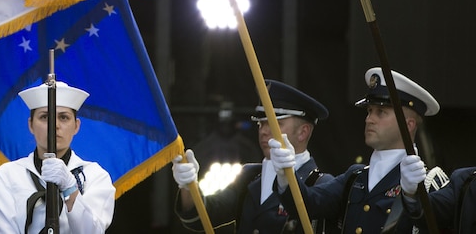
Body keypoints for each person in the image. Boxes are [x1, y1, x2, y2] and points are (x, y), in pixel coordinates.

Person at [272, 67, 439, 234]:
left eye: (381, 112)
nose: (369, 119)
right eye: (369, 111)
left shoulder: (427, 183)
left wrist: (413, 196)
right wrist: (285, 174)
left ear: (409, 125)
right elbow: (307, 205)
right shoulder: (355, 178)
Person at [171, 79, 332, 234]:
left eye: (275, 124)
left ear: (303, 132)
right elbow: (202, 216)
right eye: (260, 123)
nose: (263, 131)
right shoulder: (249, 176)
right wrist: (188, 185)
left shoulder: (321, 185)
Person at [0, 80, 115, 233]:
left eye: (63, 117)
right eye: (45, 117)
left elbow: (93, 231)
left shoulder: (94, 175)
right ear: (31, 125)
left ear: (76, 126)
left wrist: (70, 188)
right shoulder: (7, 175)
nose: (54, 125)